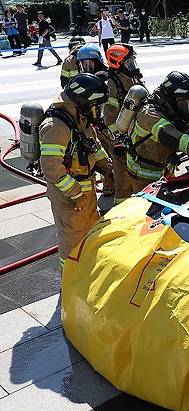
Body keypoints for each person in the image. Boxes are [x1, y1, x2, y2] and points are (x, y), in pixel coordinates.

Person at [39, 73, 111, 268]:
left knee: (89, 231)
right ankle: (70, 279)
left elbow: (93, 144)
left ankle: (85, 271)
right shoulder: (57, 127)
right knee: (72, 240)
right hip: (69, 198)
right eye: (97, 106)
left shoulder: (79, 119)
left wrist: (106, 165)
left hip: (84, 191)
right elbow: (51, 167)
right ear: (83, 102)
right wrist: (76, 193)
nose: (98, 111)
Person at [127, 71, 189, 191]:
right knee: (145, 207)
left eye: (188, 102)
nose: (186, 107)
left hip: (163, 169)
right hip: (143, 173)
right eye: (183, 102)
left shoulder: (172, 111)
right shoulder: (149, 113)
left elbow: (187, 131)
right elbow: (169, 135)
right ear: (171, 99)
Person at [104, 43, 145, 203]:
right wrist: (118, 140)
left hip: (135, 134)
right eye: (129, 63)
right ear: (117, 63)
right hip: (122, 141)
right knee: (123, 179)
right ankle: (120, 208)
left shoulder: (130, 77)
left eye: (133, 62)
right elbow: (109, 117)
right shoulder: (113, 84)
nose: (132, 66)